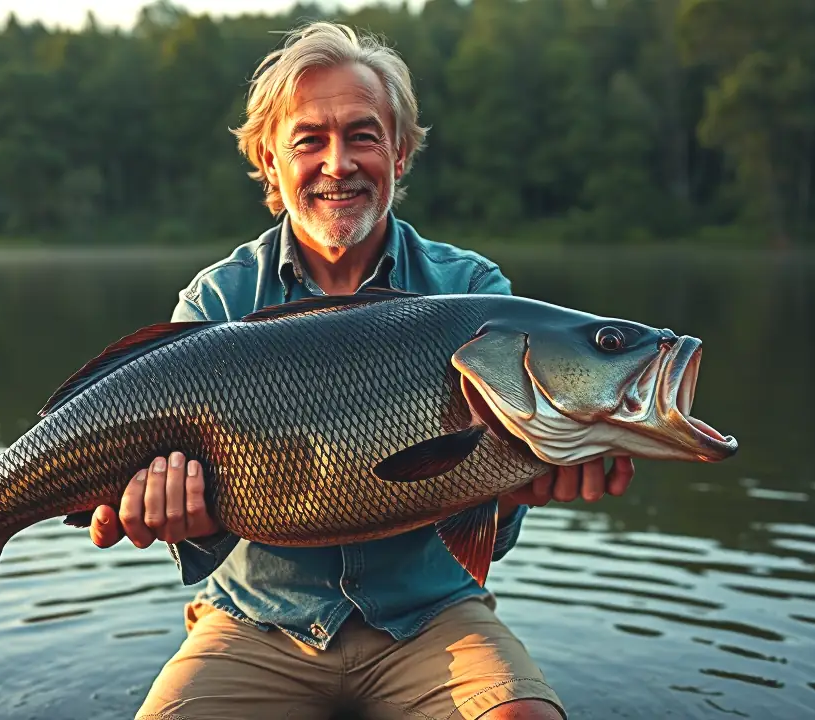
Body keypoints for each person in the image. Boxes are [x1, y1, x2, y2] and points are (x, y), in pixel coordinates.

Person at [88, 22, 635, 720]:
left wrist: (519, 487)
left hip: (432, 619)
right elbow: (181, 524)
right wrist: (172, 519)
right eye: (309, 140)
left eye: (363, 135)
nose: (338, 163)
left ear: (399, 152)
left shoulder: (474, 294)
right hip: (255, 621)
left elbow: (486, 529)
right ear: (270, 160)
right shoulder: (216, 302)